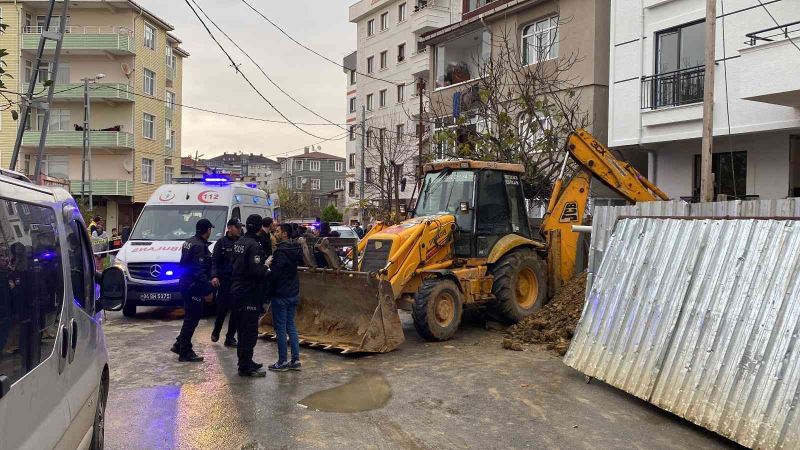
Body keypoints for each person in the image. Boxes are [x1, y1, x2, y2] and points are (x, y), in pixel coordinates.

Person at [231, 214, 270, 377]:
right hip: (249, 292)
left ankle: (246, 360)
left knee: (241, 329)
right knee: (249, 331)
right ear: (260, 227)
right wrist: (266, 266)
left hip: (236, 290)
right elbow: (256, 271)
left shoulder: (239, 242)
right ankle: (245, 366)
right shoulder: (254, 245)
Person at [171, 218, 214, 362]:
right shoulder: (199, 246)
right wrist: (207, 289)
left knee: (191, 316)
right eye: (210, 229)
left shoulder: (189, 242)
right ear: (207, 230)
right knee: (192, 318)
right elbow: (199, 271)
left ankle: (179, 344)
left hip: (185, 283)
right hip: (193, 286)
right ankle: (185, 351)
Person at [267, 223, 303, 372]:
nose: (275, 233)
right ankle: (295, 360)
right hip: (293, 293)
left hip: (281, 294)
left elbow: (275, 274)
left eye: (277, 231)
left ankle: (282, 361)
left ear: (285, 234)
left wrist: (268, 266)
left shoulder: (281, 252)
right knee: (291, 326)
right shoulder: (294, 249)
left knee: (281, 329)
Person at [210, 218, 241, 347]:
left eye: (240, 227)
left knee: (236, 310)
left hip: (237, 281)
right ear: (230, 228)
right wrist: (214, 276)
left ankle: (230, 337)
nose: (239, 230)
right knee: (222, 308)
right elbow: (214, 261)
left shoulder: (241, 242)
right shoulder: (221, 243)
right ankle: (216, 332)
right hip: (224, 281)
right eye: (237, 227)